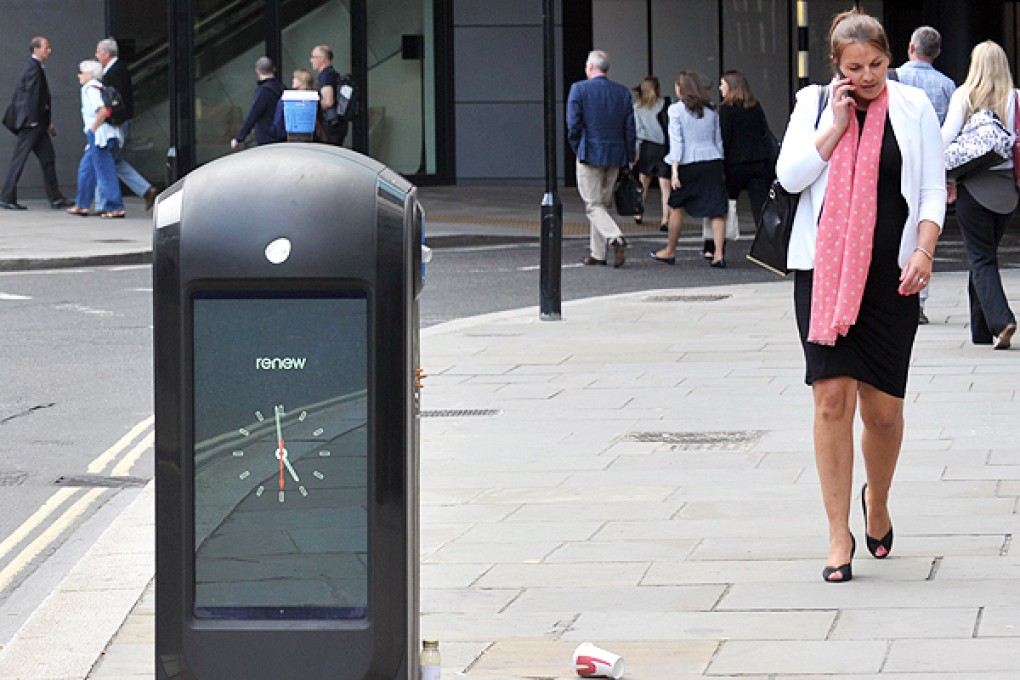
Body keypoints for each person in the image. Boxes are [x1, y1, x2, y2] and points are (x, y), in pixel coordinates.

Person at [776, 9, 945, 582]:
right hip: (824, 273)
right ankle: (836, 535)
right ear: (837, 66)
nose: (868, 75)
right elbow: (791, 176)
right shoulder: (812, 105)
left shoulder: (914, 107)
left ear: (889, 57)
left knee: (884, 412)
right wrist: (834, 128)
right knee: (830, 400)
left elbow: (930, 190)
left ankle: (877, 501)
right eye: (856, 67)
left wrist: (924, 250)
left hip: (890, 275)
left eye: (876, 64)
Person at [941, 40, 1018, 350]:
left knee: (981, 258)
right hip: (1008, 191)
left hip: (974, 187)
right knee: (984, 255)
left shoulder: (965, 96)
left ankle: (1001, 321)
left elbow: (945, 138)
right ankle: (981, 330)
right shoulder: (1016, 99)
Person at [896, 26, 956, 324]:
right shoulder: (947, 86)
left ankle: (896, 284)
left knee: (899, 225)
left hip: (899, 162)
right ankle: (918, 295)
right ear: (938, 52)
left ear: (910, 47)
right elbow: (953, 134)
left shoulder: (896, 78)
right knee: (925, 233)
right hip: (932, 166)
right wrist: (951, 179)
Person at [651, 71, 728, 268]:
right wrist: (720, 163)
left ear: (682, 88)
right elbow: (718, 140)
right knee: (716, 209)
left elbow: (677, 141)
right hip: (711, 161)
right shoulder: (711, 111)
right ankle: (719, 254)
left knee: (676, 207)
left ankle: (670, 250)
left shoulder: (675, 110)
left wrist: (674, 170)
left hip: (687, 163)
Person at [566, 50, 634, 268]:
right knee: (602, 205)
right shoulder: (622, 92)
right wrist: (630, 156)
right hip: (615, 155)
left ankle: (615, 237)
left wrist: (578, 147)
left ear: (590, 67)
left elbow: (573, 125)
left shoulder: (579, 89)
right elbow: (630, 128)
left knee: (593, 205)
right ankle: (598, 253)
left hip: (590, 153)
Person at [1, 36, 73, 210]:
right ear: (36, 49)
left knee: (47, 158)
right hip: (32, 124)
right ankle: (7, 197)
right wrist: (34, 121)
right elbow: (31, 97)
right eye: (46, 47)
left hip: (37, 123)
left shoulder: (34, 67)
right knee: (19, 160)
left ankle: (55, 198)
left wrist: (46, 122)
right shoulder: (33, 69)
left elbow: (37, 98)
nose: (49, 50)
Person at [95, 37, 157, 212]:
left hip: (116, 123)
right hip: (119, 121)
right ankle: (144, 190)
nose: (96, 55)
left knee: (104, 161)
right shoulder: (117, 69)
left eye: (99, 52)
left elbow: (114, 100)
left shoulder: (114, 71)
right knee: (113, 161)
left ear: (107, 53)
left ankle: (105, 204)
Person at [716, 69, 774, 257]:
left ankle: (717, 249)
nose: (720, 88)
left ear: (731, 87)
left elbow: (725, 138)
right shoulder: (755, 106)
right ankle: (767, 249)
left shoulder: (726, 109)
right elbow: (765, 135)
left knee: (724, 205)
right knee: (760, 208)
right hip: (758, 164)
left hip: (735, 165)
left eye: (723, 84)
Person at [65, 60, 125, 219]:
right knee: (86, 170)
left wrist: (92, 130)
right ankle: (81, 204)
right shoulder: (100, 87)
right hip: (110, 134)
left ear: (89, 74)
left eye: (81, 72)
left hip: (99, 137)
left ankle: (115, 207)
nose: (79, 76)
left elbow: (102, 111)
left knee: (105, 173)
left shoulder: (89, 89)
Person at [631, 76, 671, 231]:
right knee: (665, 187)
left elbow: (637, 132)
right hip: (663, 148)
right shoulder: (665, 104)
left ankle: (639, 213)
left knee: (643, 184)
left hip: (647, 148)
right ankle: (665, 219)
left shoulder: (637, 108)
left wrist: (634, 155)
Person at [231, 56, 285, 150]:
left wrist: (239, 138)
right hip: (283, 138)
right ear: (274, 69)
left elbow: (253, 115)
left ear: (258, 71)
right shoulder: (283, 88)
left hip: (267, 140)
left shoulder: (263, 91)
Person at [309, 44, 347, 146]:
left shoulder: (325, 75)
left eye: (313, 57)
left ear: (322, 59)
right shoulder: (332, 73)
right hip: (336, 123)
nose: (311, 60)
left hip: (330, 123)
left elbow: (328, 101)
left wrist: (312, 108)